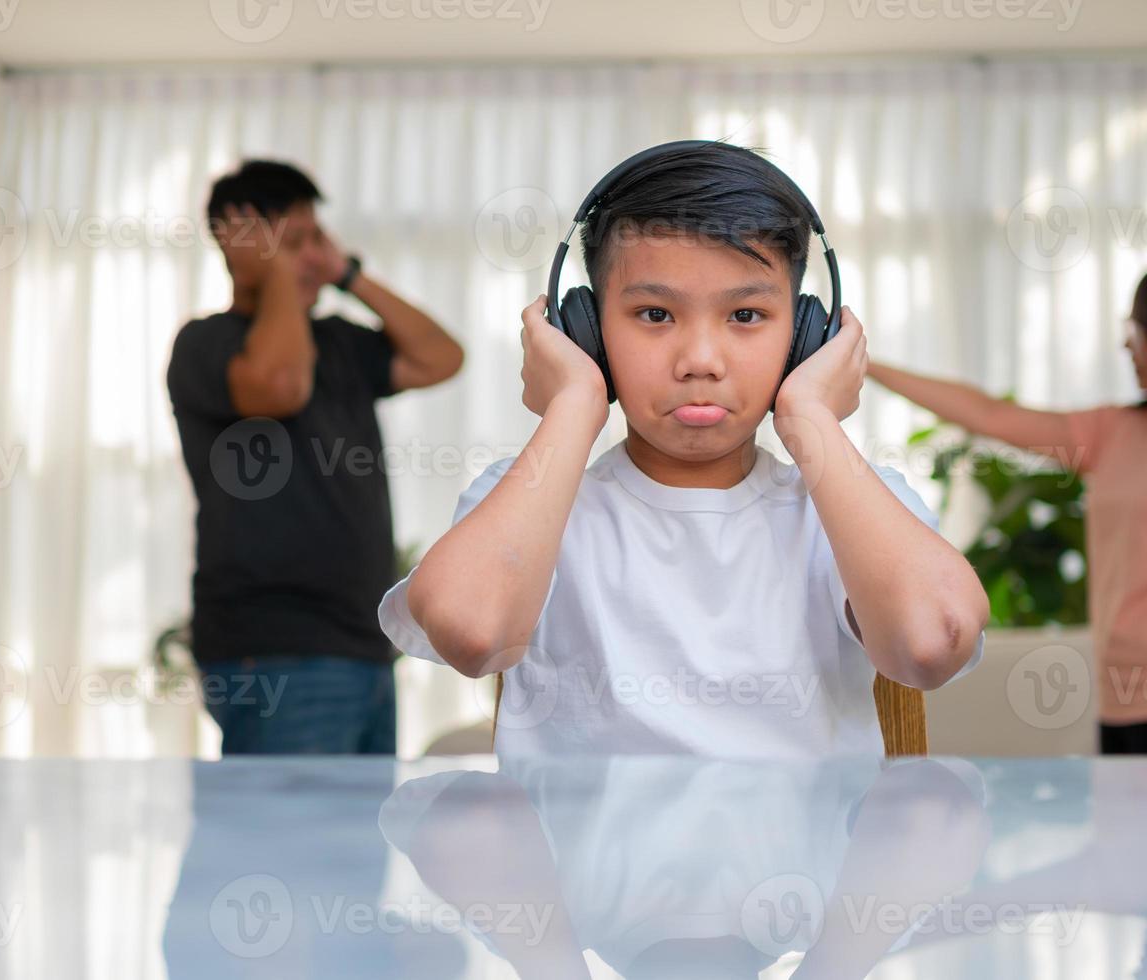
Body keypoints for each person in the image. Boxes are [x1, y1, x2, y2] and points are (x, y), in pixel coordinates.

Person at [378, 141, 989, 757]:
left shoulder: (848, 508)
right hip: (580, 858)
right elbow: (471, 631)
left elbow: (931, 643)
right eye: (654, 313)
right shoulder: (528, 500)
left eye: (746, 315)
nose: (700, 360)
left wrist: (810, 417)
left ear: (808, 335)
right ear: (585, 330)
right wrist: (575, 404)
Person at [867, 258, 1147, 754]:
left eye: (1140, 328)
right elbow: (989, 414)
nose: (1128, 344)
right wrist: (865, 363)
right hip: (1119, 702)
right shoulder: (1117, 431)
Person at [167, 160, 464, 755]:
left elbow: (441, 358)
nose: (307, 258)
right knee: (284, 848)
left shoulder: (338, 344)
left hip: (361, 647)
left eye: (314, 240)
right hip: (275, 654)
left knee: (354, 848)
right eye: (289, 243)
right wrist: (277, 272)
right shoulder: (205, 344)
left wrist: (349, 275)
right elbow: (282, 388)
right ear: (238, 246)